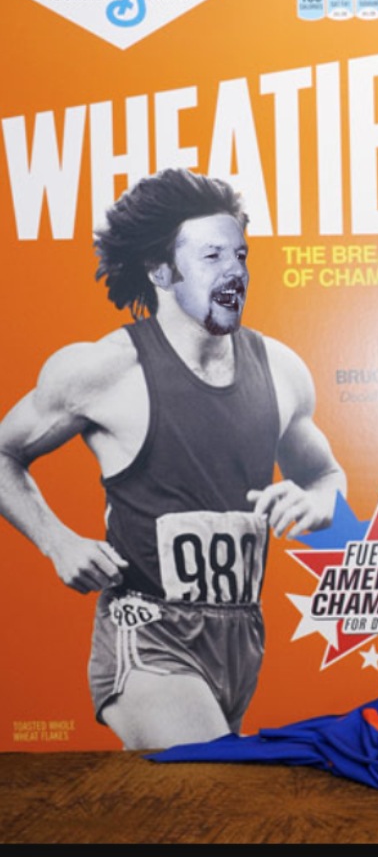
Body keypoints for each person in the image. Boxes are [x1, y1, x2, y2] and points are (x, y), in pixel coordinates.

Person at [0, 167, 346, 751]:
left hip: (240, 636)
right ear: (161, 271)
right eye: (212, 256)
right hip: (147, 631)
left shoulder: (282, 369)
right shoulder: (104, 369)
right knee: (215, 776)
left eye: (240, 254)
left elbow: (325, 476)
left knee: (201, 796)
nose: (234, 271)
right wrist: (57, 542)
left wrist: (316, 501)